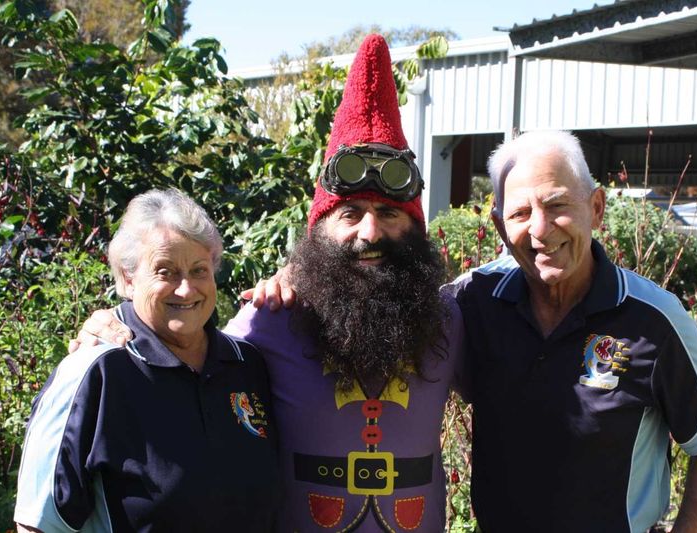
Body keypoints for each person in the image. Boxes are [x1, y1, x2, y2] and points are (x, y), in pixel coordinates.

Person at [68, 35, 466, 531]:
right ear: (319, 231)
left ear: (415, 227)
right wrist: (115, 323)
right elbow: (184, 349)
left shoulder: (452, 320)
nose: (369, 232)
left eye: (389, 213)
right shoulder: (269, 320)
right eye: (350, 214)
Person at [454, 130, 697, 532]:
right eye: (520, 214)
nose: (540, 229)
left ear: (597, 208)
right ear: (500, 227)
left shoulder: (654, 320)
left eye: (557, 205)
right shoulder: (473, 302)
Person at [14, 189, 279, 532]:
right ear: (128, 279)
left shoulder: (246, 364)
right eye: (165, 271)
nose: (186, 289)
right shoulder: (94, 373)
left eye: (199, 270)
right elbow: (38, 525)